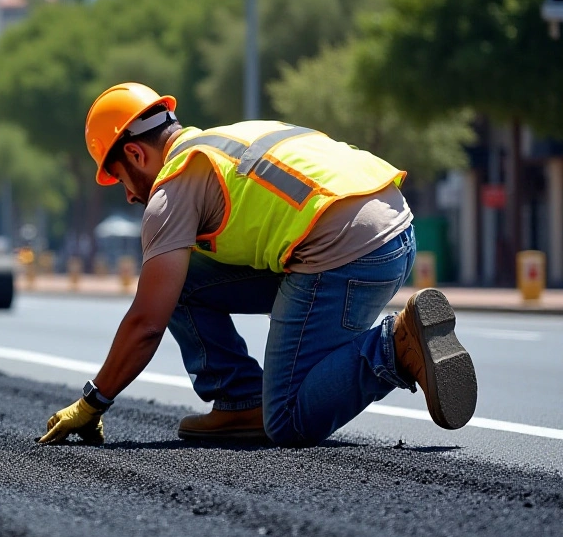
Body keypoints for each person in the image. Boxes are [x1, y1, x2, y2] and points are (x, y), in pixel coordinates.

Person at [39, 82, 477, 447]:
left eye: (119, 178)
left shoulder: (171, 192)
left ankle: (396, 346)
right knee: (179, 281)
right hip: (398, 231)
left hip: (350, 252)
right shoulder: (222, 141)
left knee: (286, 420)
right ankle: (239, 401)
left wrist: (93, 401)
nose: (130, 195)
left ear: (135, 155)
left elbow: (146, 323)